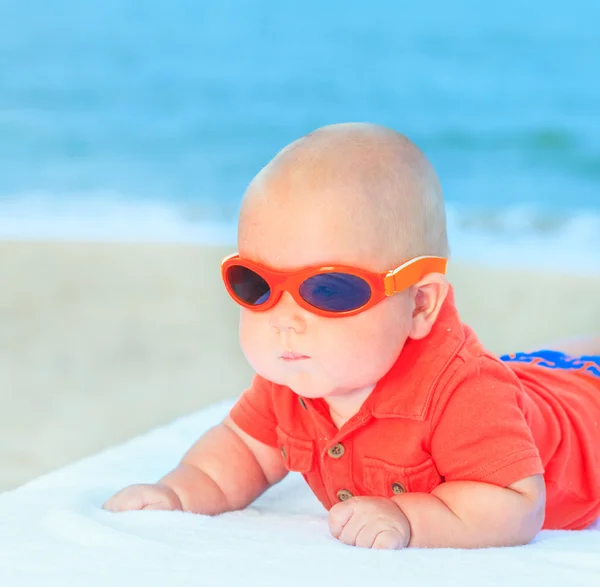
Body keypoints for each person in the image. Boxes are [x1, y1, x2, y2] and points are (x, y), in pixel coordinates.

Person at [103, 123, 600, 550]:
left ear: (420, 304)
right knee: (539, 366)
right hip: (525, 381)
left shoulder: (465, 396)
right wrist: (178, 494)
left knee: (568, 374)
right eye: (256, 285)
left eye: (328, 289)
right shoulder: (296, 375)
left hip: (584, 422)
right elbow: (243, 451)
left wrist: (410, 519)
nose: (285, 319)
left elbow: (517, 502)